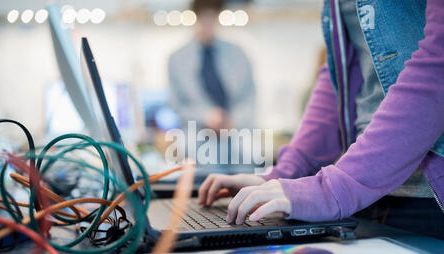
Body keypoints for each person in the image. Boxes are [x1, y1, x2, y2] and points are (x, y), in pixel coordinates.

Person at [198, 0, 444, 239]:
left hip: (429, 199)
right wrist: (285, 174)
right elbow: (342, 72)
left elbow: (438, 64)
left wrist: (333, 190)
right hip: (367, 198)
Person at [168, 0, 256, 132]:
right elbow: (176, 105)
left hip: (236, 137)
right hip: (197, 140)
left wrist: (233, 119)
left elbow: (249, 96)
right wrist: (205, 116)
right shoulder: (177, 59)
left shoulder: (238, 54)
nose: (208, 23)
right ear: (195, 17)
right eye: (204, 16)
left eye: (212, 16)